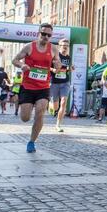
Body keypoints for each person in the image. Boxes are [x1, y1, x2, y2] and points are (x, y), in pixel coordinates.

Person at [12, 23, 61, 153]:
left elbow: (58, 65)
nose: (45, 37)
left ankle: (32, 142)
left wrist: (57, 65)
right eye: (43, 34)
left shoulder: (53, 49)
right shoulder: (29, 47)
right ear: (38, 33)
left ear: (51, 36)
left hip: (43, 87)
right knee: (25, 118)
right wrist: (21, 65)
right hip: (27, 86)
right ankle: (27, 111)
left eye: (48, 35)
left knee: (40, 113)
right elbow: (15, 60)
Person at [50, 38, 72, 133]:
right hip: (55, 82)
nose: (65, 48)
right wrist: (53, 70)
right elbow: (47, 66)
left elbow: (67, 68)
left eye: (67, 46)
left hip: (65, 82)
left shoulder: (68, 58)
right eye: (63, 46)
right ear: (60, 46)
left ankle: (58, 125)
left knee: (63, 102)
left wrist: (70, 68)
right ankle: (55, 110)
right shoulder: (55, 55)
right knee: (56, 104)